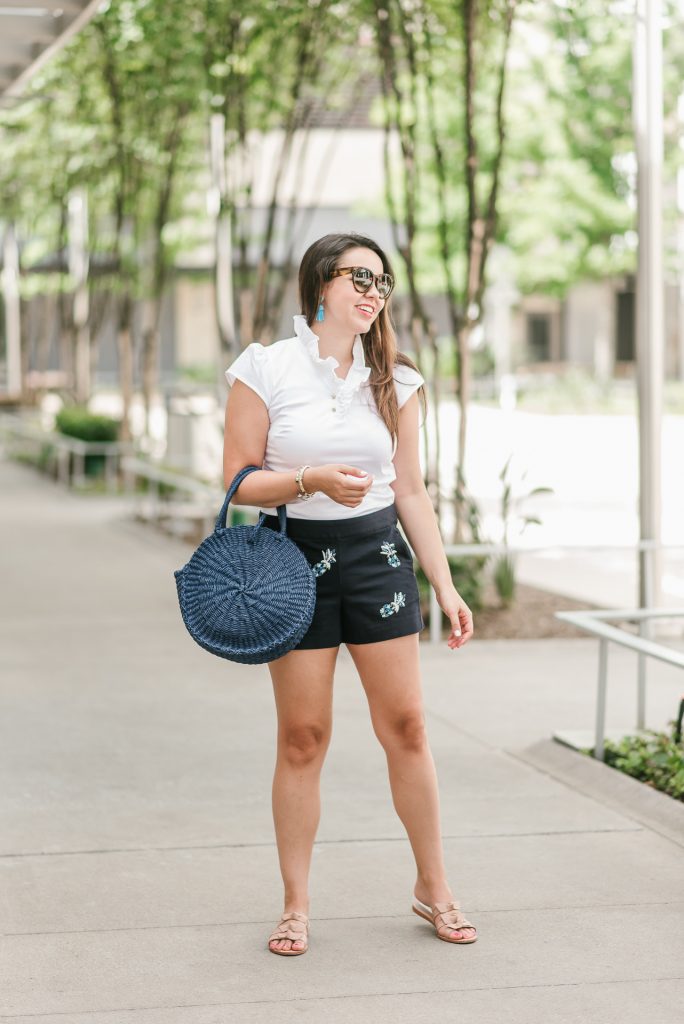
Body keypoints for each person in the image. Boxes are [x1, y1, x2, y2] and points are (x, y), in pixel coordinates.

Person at [222, 232, 475, 957]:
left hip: (378, 559)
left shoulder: (396, 378)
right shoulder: (264, 367)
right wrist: (310, 480)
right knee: (304, 739)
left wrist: (446, 585)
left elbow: (414, 494)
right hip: (292, 561)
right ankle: (296, 905)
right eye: (358, 276)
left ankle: (435, 887)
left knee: (408, 728)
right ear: (321, 283)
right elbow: (238, 478)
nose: (372, 291)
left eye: (382, 281)